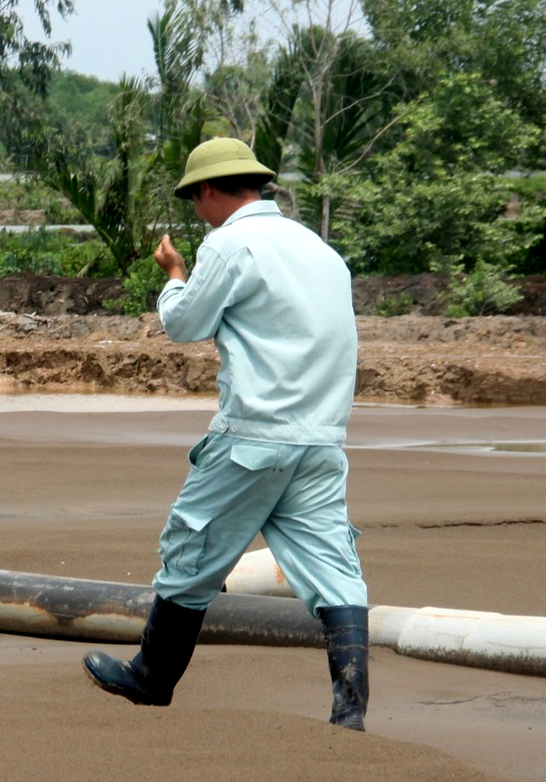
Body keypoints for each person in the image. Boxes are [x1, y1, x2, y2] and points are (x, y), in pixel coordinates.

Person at [83, 137, 371, 730]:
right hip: (320, 438)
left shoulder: (230, 242)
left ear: (209, 191)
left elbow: (185, 324)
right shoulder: (319, 248)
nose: (197, 211)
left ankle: (150, 679)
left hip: (254, 436)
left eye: (195, 199)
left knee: (190, 551)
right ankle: (350, 710)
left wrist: (174, 274)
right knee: (333, 566)